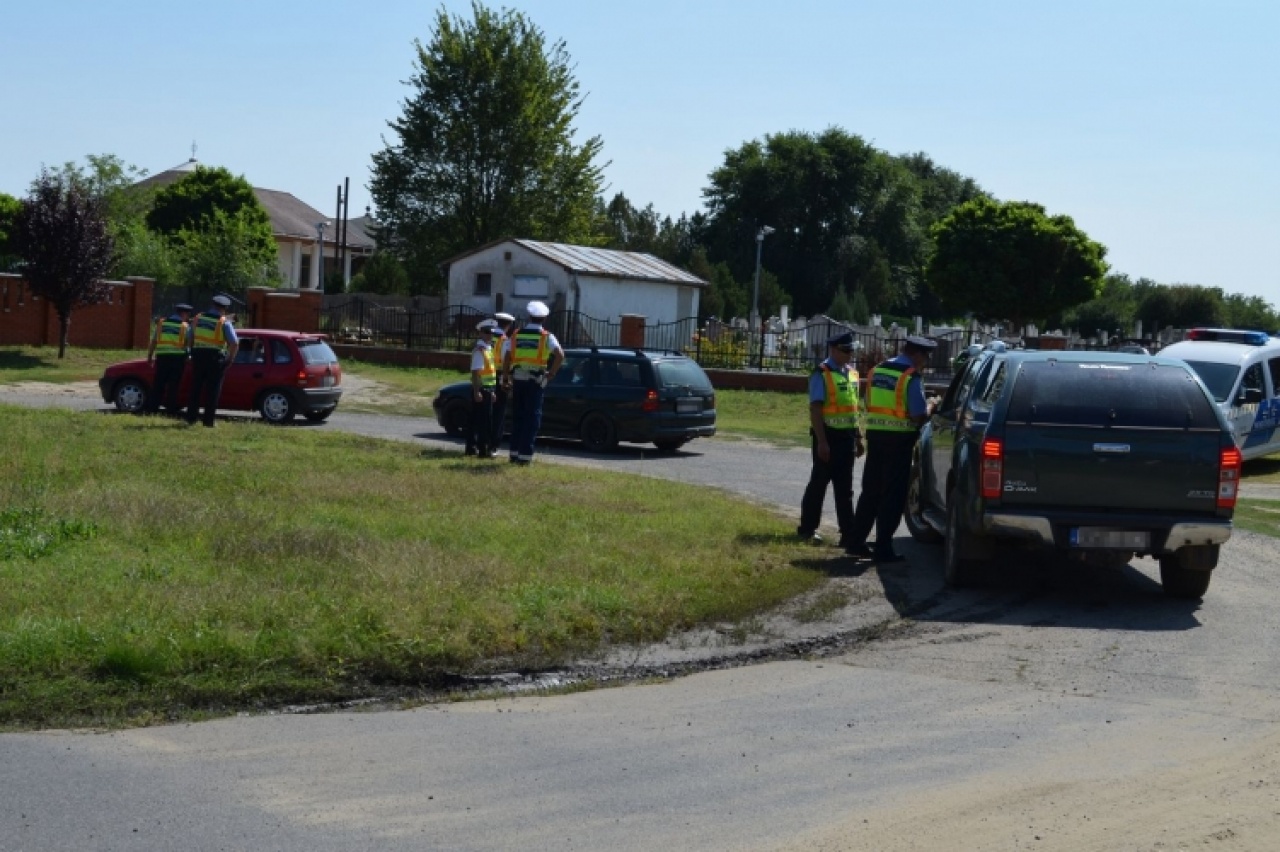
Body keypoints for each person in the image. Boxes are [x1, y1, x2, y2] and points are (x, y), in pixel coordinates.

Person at [842, 335, 938, 562]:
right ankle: (883, 547)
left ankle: (856, 542)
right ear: (917, 354)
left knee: (871, 491)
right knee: (893, 495)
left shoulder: (877, 371)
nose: (925, 362)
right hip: (899, 441)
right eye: (926, 357)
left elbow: (869, 403)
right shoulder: (910, 376)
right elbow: (917, 415)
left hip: (876, 437)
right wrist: (932, 405)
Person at [797, 331, 865, 545]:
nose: (850, 354)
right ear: (833, 350)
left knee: (845, 489)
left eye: (851, 350)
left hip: (846, 437)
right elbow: (816, 409)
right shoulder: (822, 373)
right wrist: (822, 442)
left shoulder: (852, 374)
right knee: (819, 484)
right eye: (846, 350)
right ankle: (807, 529)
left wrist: (858, 436)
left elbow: (853, 409)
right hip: (828, 437)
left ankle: (848, 533)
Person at [502, 300, 564, 465]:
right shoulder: (546, 337)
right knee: (532, 419)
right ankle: (525, 457)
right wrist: (551, 373)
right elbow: (560, 355)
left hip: (518, 380)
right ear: (544, 318)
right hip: (535, 382)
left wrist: (505, 377)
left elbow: (507, 356)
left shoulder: (516, 334)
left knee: (518, 417)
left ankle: (514, 454)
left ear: (529, 316)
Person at [185, 294, 239, 427]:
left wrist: (191, 352)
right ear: (224, 308)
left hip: (198, 356)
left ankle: (191, 418)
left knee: (196, 388)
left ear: (212, 305)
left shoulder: (198, 318)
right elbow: (234, 343)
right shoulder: (223, 322)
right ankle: (208, 421)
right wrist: (230, 359)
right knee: (213, 390)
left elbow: (189, 337)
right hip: (215, 358)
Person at [145, 302, 193, 414]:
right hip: (178, 359)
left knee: (158, 384)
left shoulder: (162, 324)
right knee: (173, 385)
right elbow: (189, 344)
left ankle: (152, 409)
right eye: (187, 315)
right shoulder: (185, 327)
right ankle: (170, 410)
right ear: (184, 314)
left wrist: (149, 356)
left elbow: (154, 341)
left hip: (162, 358)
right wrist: (189, 355)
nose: (188, 317)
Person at [465, 318, 499, 458]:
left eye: (491, 332)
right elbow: (475, 373)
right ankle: (483, 450)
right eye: (486, 332)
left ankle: (472, 448)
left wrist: (492, 391)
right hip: (482, 390)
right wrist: (477, 391)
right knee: (483, 422)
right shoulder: (480, 350)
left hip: (488, 390)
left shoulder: (488, 349)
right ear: (480, 333)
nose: (489, 335)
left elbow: (490, 372)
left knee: (477, 420)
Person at [489, 311, 516, 451]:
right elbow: (507, 360)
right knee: (499, 411)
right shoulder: (505, 340)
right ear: (509, 325)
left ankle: (481, 440)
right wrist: (507, 378)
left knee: (486, 410)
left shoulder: (488, 337)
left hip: (485, 376)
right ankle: (494, 444)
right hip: (500, 376)